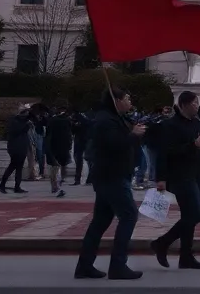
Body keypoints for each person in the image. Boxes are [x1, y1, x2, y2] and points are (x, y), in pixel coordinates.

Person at [74, 87, 145, 281]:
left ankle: (85, 265)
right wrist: (133, 135)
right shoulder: (105, 120)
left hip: (111, 175)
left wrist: (135, 133)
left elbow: (125, 142)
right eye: (127, 98)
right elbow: (114, 145)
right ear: (117, 101)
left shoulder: (115, 118)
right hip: (112, 175)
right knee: (129, 215)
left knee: (100, 221)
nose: (130, 102)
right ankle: (118, 265)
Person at [149, 90, 200, 271]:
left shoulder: (195, 123)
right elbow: (165, 152)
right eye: (194, 103)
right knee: (196, 215)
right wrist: (160, 178)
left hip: (193, 174)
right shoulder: (170, 125)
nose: (197, 106)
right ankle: (162, 242)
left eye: (198, 103)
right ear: (183, 104)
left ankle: (186, 256)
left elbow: (198, 147)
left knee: (188, 216)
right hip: (178, 176)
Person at [0, 105, 32, 194]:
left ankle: (17, 187)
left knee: (19, 168)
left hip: (22, 147)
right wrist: (27, 126)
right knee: (12, 166)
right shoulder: (14, 120)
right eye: (26, 112)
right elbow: (17, 131)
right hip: (15, 147)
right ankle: (2, 185)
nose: (27, 114)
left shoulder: (24, 121)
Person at [47, 106, 73, 197]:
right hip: (63, 146)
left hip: (54, 146)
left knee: (55, 167)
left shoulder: (52, 120)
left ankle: (55, 186)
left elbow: (48, 134)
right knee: (61, 165)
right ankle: (59, 183)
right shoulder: (67, 121)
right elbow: (69, 133)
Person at [70, 106, 92, 186]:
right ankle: (82, 179)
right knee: (85, 159)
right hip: (83, 138)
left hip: (82, 139)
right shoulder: (86, 116)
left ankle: (80, 179)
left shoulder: (82, 116)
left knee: (84, 159)